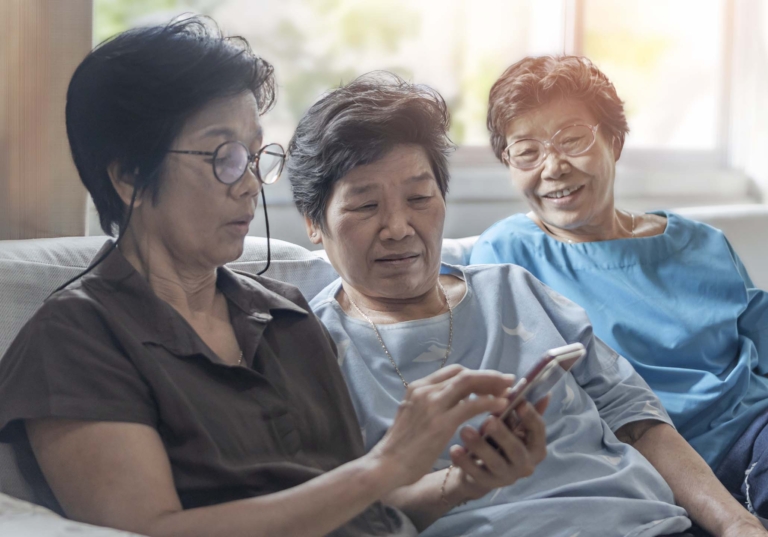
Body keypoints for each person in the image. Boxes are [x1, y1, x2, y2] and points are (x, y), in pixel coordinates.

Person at [0, 18, 543, 537]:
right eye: (225, 157)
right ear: (127, 176)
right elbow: (148, 531)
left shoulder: (284, 314)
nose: (250, 185)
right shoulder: (75, 339)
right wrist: (385, 465)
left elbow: (361, 509)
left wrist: (461, 482)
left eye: (257, 155)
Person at [288, 71, 768, 537]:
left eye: (419, 197)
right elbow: (333, 512)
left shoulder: (515, 289)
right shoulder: (305, 347)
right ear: (314, 221)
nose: (398, 227)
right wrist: (459, 485)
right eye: (366, 206)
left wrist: (736, 524)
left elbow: (640, 425)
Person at [471, 54, 768, 521]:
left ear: (614, 140)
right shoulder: (505, 256)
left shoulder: (704, 244)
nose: (553, 167)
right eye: (527, 151)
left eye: (571, 140)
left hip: (755, 433)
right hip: (647, 466)